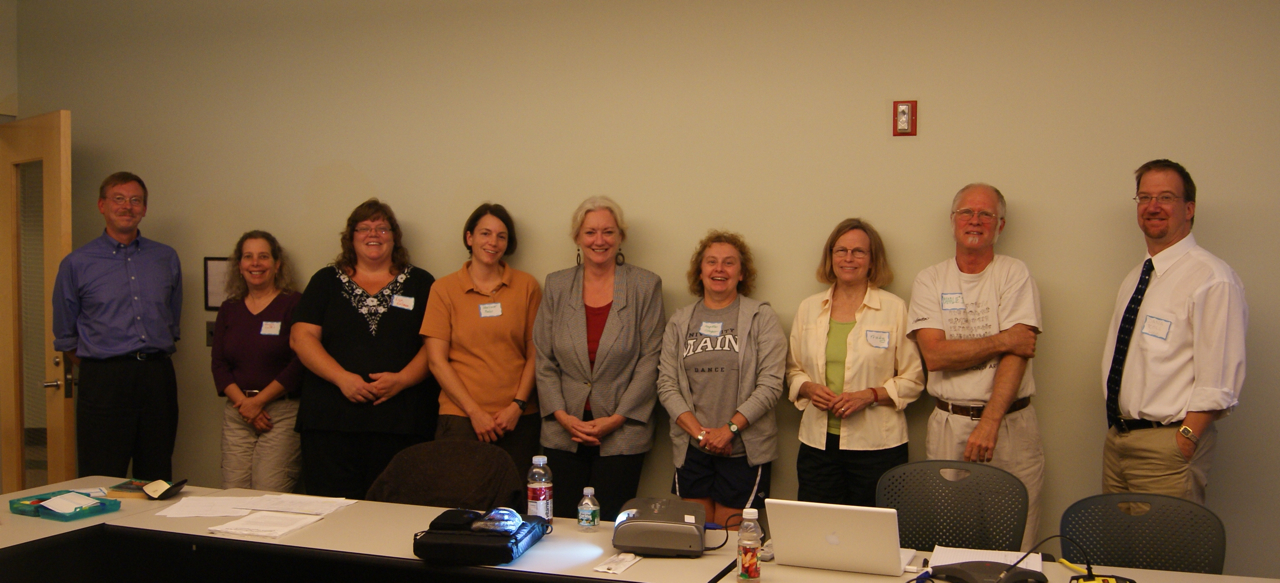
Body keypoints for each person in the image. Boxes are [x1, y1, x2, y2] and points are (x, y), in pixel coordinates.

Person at [1101, 159, 1247, 504]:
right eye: (1144, 198)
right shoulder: (1138, 276)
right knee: (1116, 540)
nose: (1153, 207)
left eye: (1166, 197)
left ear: (1189, 209)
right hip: (1119, 442)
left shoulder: (1212, 278)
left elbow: (1219, 379)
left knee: (1165, 541)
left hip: (1167, 448)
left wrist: (1185, 439)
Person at [907, 183, 1044, 550]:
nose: (975, 220)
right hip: (949, 424)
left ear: (1000, 226)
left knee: (1014, 538)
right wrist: (1003, 339)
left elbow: (1020, 352)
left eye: (986, 214)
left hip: (1009, 424)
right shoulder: (930, 279)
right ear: (953, 221)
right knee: (950, 536)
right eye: (967, 212)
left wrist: (989, 422)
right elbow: (935, 356)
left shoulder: (1014, 274)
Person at [291, 199, 438, 499]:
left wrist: (403, 379)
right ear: (351, 236)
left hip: (402, 422)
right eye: (364, 228)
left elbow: (435, 344)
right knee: (331, 513)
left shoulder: (421, 283)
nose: (373, 234)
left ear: (394, 236)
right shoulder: (325, 281)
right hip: (331, 423)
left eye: (382, 228)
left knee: (396, 511)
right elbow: (301, 338)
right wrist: (342, 378)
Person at [533, 196, 664, 521]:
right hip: (564, 431)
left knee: (609, 528)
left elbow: (650, 361)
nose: (599, 240)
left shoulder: (645, 286)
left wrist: (616, 419)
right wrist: (562, 416)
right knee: (561, 524)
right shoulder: (557, 285)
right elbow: (544, 358)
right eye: (590, 232)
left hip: (622, 433)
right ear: (577, 237)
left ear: (620, 237)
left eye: (608, 231)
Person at [52, 172, 182, 481]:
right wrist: (102, 364)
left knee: (156, 475)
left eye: (136, 200)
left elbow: (172, 319)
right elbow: (66, 334)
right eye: (119, 199)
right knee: (101, 475)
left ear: (144, 209)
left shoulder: (165, 257)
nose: (127, 207)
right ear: (102, 205)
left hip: (156, 376)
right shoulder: (77, 263)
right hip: (104, 380)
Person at [786, 218, 924, 507]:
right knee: (817, 526)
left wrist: (869, 396)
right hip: (818, 446)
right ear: (831, 257)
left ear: (873, 260)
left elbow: (913, 380)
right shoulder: (809, 308)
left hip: (878, 447)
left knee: (872, 530)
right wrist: (809, 388)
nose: (848, 258)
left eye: (859, 252)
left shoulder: (893, 308)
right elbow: (793, 370)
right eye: (841, 251)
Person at [657, 230, 785, 528]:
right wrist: (701, 435)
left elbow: (770, 385)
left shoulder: (761, 317)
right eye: (711, 262)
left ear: (741, 273)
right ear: (700, 271)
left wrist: (729, 430)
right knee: (694, 536)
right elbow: (666, 385)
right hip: (692, 448)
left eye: (729, 263)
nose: (719, 269)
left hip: (743, 450)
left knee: (732, 540)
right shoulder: (679, 321)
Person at [423, 203, 543, 471]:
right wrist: (474, 412)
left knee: (515, 496)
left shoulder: (527, 286)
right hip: (461, 418)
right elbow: (436, 361)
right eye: (485, 233)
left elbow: (536, 352)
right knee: (461, 494)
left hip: (517, 419)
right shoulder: (443, 289)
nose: (493, 242)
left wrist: (517, 406)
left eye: (501, 236)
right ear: (469, 238)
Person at [210, 230, 303, 492]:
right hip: (238, 412)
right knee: (234, 492)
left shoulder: (294, 304)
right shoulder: (229, 308)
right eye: (248, 257)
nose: (255, 263)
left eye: (263, 256)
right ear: (239, 265)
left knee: (269, 491)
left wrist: (259, 402)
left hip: (281, 413)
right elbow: (219, 364)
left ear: (277, 264)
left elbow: (300, 362)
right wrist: (246, 405)